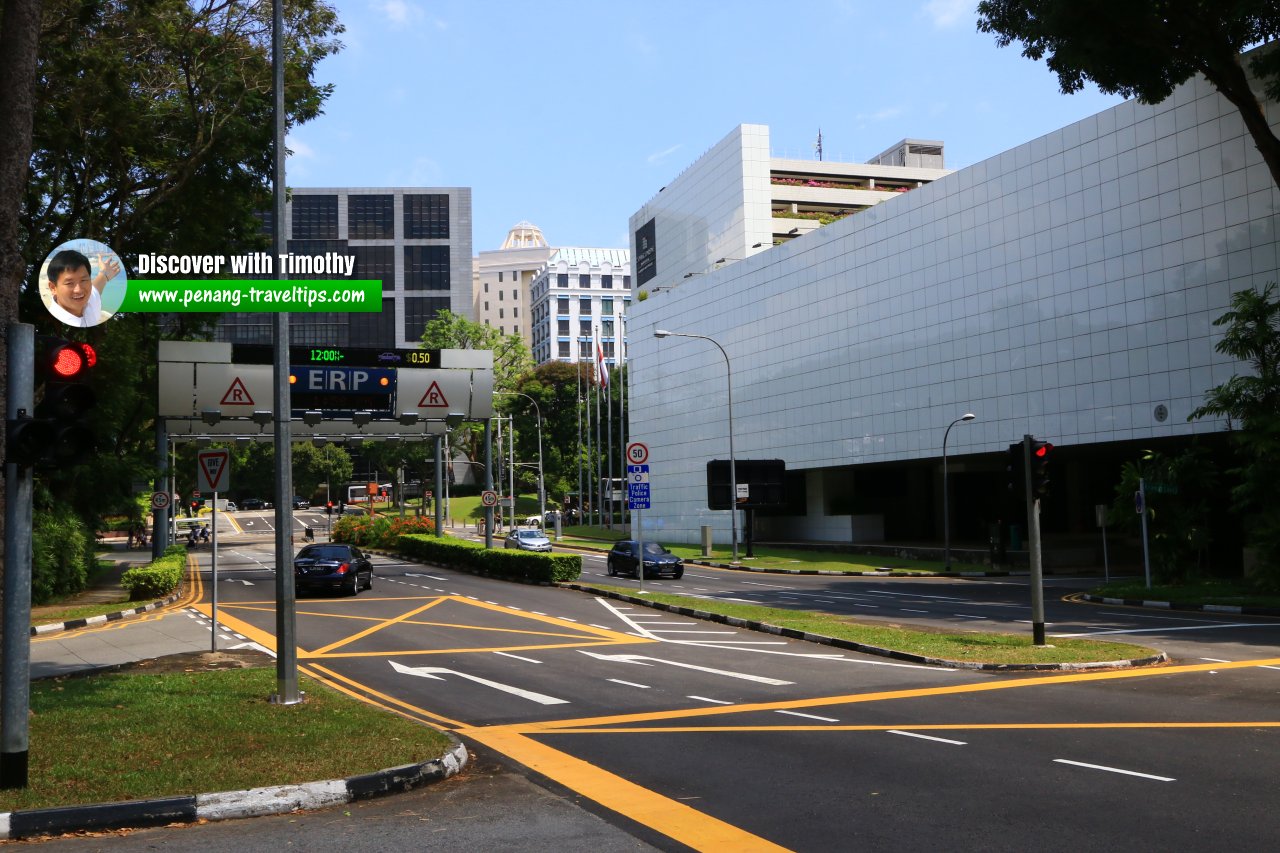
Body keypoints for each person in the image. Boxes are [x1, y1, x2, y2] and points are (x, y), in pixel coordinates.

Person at [44, 248, 121, 327]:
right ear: (53, 288)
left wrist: (104, 273)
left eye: (83, 280)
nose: (79, 290)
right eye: (70, 283)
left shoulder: (90, 300)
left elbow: (96, 287)